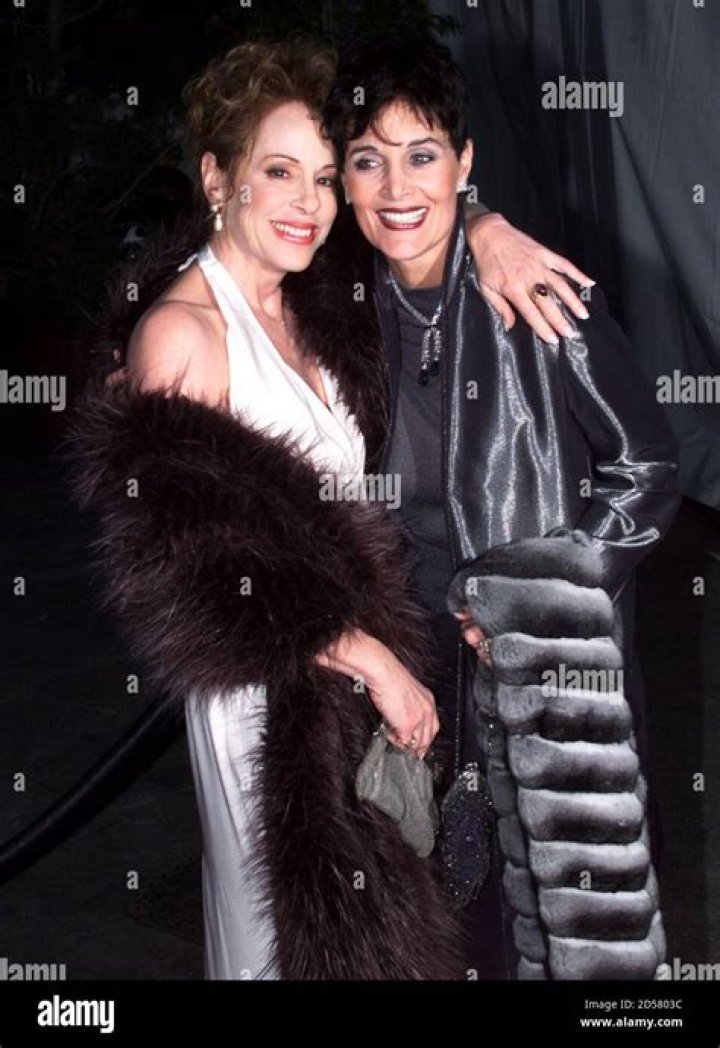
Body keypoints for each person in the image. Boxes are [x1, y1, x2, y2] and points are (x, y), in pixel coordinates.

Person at [67, 38, 601, 981]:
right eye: (279, 172)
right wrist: (373, 662)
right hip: (270, 699)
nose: (310, 203)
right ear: (217, 177)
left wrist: (484, 225)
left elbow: (412, 208)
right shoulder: (182, 334)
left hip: (353, 677)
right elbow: (193, 576)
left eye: (322, 176)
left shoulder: (312, 296)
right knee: (288, 941)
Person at [322, 35, 682, 979]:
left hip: (528, 668)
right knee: (426, 916)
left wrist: (535, 602)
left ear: (464, 162)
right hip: (402, 662)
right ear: (343, 180)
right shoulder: (337, 313)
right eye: (368, 159)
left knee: (564, 929)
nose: (397, 187)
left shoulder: (534, 290)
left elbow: (648, 466)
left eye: (422, 155)